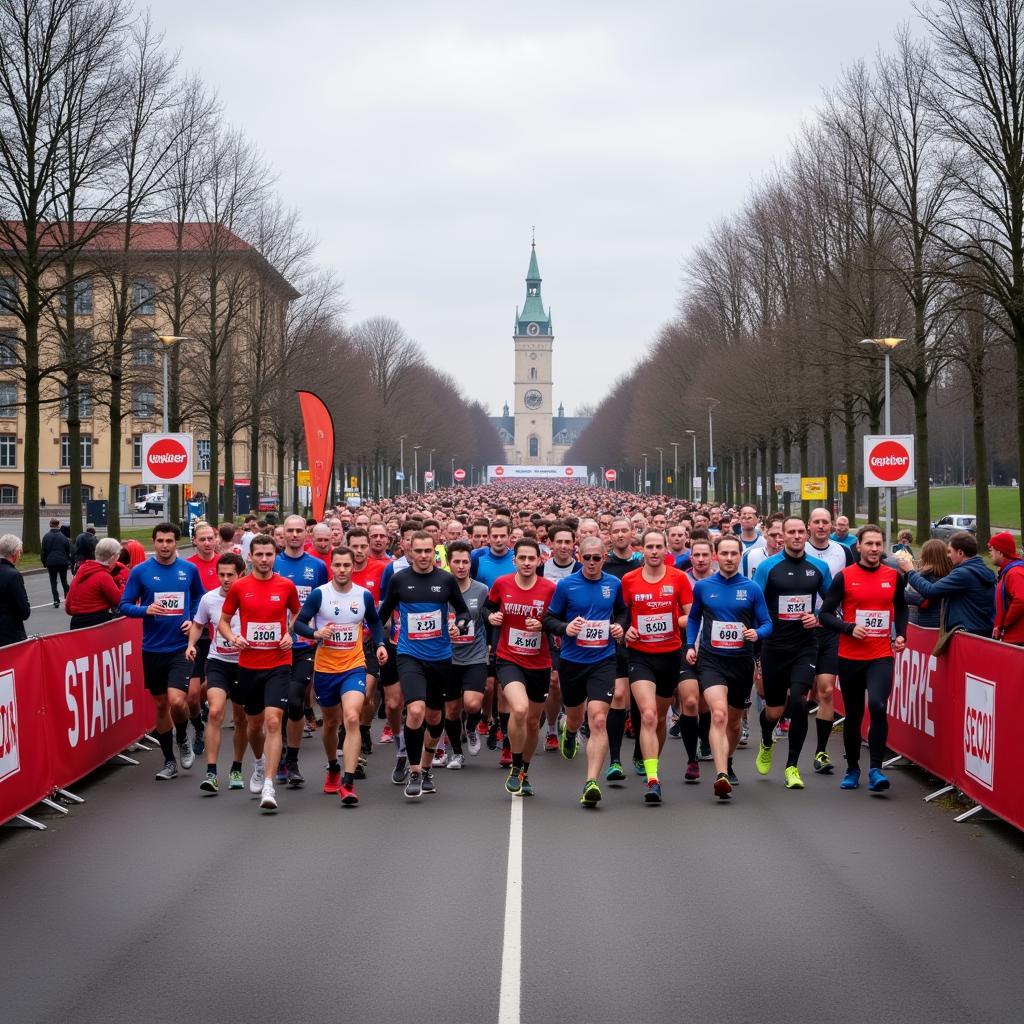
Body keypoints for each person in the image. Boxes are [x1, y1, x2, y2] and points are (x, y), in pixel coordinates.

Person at [377, 530, 470, 799]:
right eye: (418, 551)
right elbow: (381, 616)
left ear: (435, 552)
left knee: (433, 716)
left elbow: (462, 611)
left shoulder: (446, 580)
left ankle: (428, 766)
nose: (423, 556)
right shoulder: (399, 580)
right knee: (415, 711)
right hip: (409, 655)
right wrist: (381, 643)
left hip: (440, 657)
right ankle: (415, 770)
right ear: (409, 552)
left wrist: (460, 625)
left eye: (428, 551)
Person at [294, 545, 387, 806]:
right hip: (325, 669)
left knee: (352, 717)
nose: (343, 570)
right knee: (332, 724)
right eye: (338, 565)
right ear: (332, 566)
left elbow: (375, 622)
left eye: (347, 565)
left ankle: (348, 781)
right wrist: (315, 634)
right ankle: (333, 764)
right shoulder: (319, 595)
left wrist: (379, 644)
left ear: (352, 566)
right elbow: (299, 623)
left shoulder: (363, 595)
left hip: (354, 666)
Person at [819, 525, 908, 792]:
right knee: (854, 714)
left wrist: (901, 634)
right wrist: (848, 628)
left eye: (878, 544)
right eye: (868, 544)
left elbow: (902, 607)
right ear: (858, 546)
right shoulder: (844, 577)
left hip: (880, 655)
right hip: (849, 656)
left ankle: (876, 769)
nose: (874, 549)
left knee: (879, 707)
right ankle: (853, 768)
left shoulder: (894, 576)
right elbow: (824, 614)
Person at [543, 536, 628, 808]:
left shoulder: (613, 584)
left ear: (605, 557)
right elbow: (549, 618)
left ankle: (591, 781)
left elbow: (623, 613)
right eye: (587, 558)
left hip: (603, 660)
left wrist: (619, 628)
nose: (592, 563)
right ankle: (569, 732)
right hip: (572, 661)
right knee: (575, 717)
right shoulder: (567, 585)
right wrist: (565, 628)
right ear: (580, 557)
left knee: (599, 719)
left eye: (597, 558)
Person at [685, 534, 772, 800]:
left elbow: (767, 623)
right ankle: (721, 774)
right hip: (711, 660)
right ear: (716, 555)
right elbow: (693, 618)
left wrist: (757, 634)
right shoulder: (703, 587)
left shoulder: (752, 588)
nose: (729, 558)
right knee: (719, 714)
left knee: (734, 724)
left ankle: (728, 759)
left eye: (734, 553)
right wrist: (690, 645)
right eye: (724, 553)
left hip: (741, 662)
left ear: (740, 556)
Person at [219, 534, 301, 812]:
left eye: (269, 555)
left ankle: (269, 785)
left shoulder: (286, 585)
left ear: (275, 556)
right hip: (249, 664)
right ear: (250, 557)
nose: (265, 560)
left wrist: (290, 633)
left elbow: (299, 615)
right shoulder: (240, 587)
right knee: (253, 726)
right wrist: (233, 638)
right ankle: (259, 762)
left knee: (274, 722)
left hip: (279, 662)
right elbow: (224, 621)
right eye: (260, 555)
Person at [119, 523, 206, 780]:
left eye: (169, 541)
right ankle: (169, 761)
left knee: (177, 701)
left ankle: (183, 738)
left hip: (180, 647)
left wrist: (192, 618)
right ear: (154, 543)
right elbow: (123, 605)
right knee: (160, 706)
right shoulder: (140, 572)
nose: (165, 545)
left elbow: (199, 597)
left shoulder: (188, 570)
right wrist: (145, 610)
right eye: (160, 541)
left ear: (176, 543)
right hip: (152, 648)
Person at [752, 517, 833, 788]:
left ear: (806, 534)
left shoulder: (819, 568)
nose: (797, 536)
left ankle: (791, 767)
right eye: (792, 532)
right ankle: (766, 741)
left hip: (805, 647)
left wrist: (818, 616)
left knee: (798, 702)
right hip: (774, 647)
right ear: (781, 537)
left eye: (801, 532)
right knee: (774, 712)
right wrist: (756, 647)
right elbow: (754, 605)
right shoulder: (767, 568)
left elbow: (832, 605)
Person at [621, 528, 692, 803]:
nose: (653, 551)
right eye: (648, 547)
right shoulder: (629, 580)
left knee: (660, 718)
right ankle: (653, 779)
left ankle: (652, 762)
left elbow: (691, 615)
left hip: (670, 654)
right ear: (642, 549)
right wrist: (626, 629)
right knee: (648, 715)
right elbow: (621, 614)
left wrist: (673, 622)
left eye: (657, 547)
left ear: (665, 550)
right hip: (640, 655)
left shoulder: (679, 578)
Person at [485, 538, 557, 797]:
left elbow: (559, 620)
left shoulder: (549, 589)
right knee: (520, 708)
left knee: (532, 721)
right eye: (522, 558)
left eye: (531, 558)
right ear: (514, 560)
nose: (527, 563)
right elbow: (488, 608)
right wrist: (490, 617)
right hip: (509, 658)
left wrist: (544, 625)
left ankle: (524, 771)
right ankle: (515, 767)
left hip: (539, 662)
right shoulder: (502, 584)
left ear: (540, 561)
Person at [186, 553, 248, 793]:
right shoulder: (209, 599)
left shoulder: (250, 596)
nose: (225, 579)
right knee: (215, 712)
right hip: (218, 661)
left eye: (230, 575)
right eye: (221, 574)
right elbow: (199, 624)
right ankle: (211, 772)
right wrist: (191, 644)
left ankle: (237, 767)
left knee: (242, 719)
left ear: (240, 574)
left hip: (245, 664)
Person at [896, 531, 995, 636]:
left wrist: (910, 571)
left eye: (950, 551)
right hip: (980, 632)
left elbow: (930, 591)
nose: (947, 556)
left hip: (968, 634)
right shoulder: (982, 569)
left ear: (960, 553)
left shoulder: (963, 573)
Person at [444, 540, 489, 764]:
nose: (461, 566)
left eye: (465, 562)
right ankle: (456, 752)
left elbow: (487, 617)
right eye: (457, 562)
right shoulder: (441, 588)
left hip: (475, 654)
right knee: (451, 711)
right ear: (449, 563)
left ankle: (471, 727)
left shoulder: (481, 590)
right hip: (448, 656)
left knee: (472, 704)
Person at [65, 537, 126, 629]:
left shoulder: (81, 571)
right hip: (96, 623)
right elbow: (119, 601)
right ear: (113, 557)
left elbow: (68, 605)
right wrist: (122, 586)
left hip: (76, 622)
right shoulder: (103, 576)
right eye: (118, 556)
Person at [904, 539, 952, 628]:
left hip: (920, 624)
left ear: (925, 556)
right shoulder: (951, 576)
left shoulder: (921, 577)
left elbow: (923, 602)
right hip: (943, 626)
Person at [988, 531, 1024, 645]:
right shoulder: (1008, 571)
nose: (990, 554)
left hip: (1018, 638)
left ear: (1000, 552)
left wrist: (1004, 623)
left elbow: (1021, 599)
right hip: (1014, 637)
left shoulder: (1014, 572)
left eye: (991, 550)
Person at [0, 534, 30, 646]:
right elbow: (24, 611)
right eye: (20, 552)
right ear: (15, 553)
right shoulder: (13, 576)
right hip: (10, 634)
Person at [41, 518, 71, 607]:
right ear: (58, 525)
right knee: (64, 581)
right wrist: (68, 561)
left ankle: (56, 600)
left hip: (51, 562)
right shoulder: (64, 537)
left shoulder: (46, 537)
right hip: (63, 562)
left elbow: (43, 551)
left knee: (53, 582)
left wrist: (44, 562)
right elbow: (68, 551)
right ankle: (67, 597)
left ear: (50, 525)